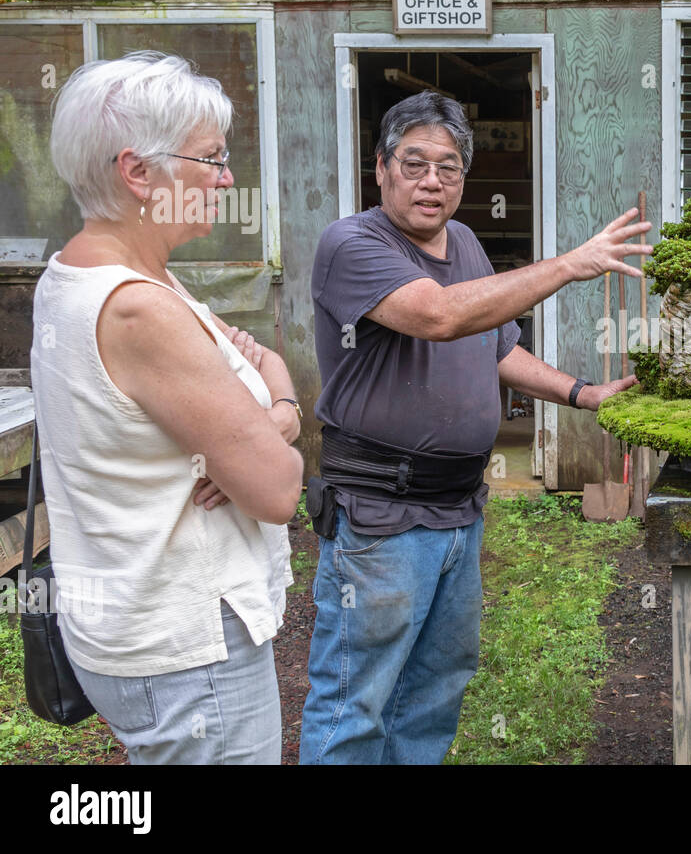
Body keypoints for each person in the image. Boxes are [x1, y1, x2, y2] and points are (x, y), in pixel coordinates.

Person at [301, 91, 651, 764]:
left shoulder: (462, 240)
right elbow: (439, 316)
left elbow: (495, 346)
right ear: (381, 168)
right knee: (356, 699)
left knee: (436, 689)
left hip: (460, 509)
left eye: (450, 166)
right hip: (382, 516)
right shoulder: (352, 245)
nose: (433, 180)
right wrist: (569, 264)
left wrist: (584, 393)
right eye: (415, 163)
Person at [30, 51, 304, 764]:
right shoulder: (139, 309)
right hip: (189, 652)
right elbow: (276, 488)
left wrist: (271, 417)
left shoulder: (90, 273)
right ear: (138, 171)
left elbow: (264, 372)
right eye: (211, 158)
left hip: (132, 632)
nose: (226, 177)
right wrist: (273, 424)